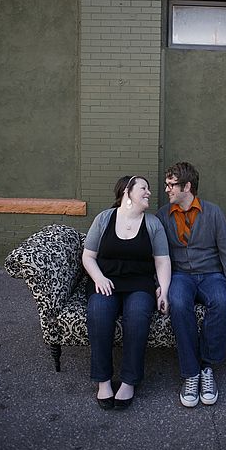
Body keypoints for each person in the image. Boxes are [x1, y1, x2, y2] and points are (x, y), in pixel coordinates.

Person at [82, 175, 171, 410]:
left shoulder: (152, 224)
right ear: (127, 192)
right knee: (99, 315)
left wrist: (163, 292)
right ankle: (103, 380)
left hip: (139, 284)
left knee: (138, 317)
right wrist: (98, 277)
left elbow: (162, 261)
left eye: (149, 189)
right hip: (105, 282)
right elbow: (88, 256)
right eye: (144, 188)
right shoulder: (104, 218)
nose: (149, 193)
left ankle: (129, 380)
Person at [156, 161, 226, 407]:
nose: (167, 189)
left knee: (222, 301)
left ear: (187, 186)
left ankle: (206, 367)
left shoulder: (213, 213)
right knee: (179, 304)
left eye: (172, 185)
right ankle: (190, 373)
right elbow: (158, 257)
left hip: (211, 274)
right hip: (180, 275)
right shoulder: (162, 215)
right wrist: (160, 286)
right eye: (167, 184)